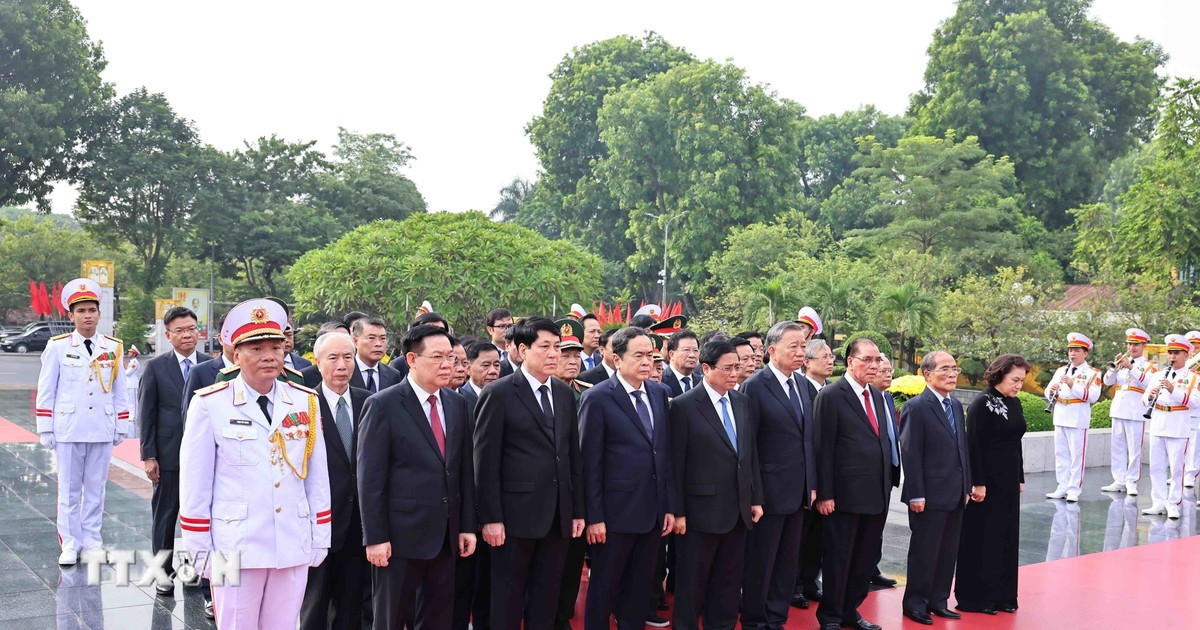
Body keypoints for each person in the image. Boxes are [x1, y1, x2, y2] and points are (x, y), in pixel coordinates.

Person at [179, 298, 332, 627]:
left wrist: (321, 534)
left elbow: (317, 477)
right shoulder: (211, 404)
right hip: (236, 545)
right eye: (256, 348)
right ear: (236, 354)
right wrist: (199, 547)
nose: (269, 356)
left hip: (291, 539)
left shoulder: (305, 401)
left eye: (276, 347)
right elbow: (195, 483)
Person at [358, 324, 477, 629]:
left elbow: (462, 471)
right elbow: (370, 479)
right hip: (398, 538)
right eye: (437, 357)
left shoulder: (456, 404)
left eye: (451, 358)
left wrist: (465, 526)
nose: (447, 365)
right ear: (412, 359)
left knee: (438, 618)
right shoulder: (383, 405)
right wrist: (375, 538)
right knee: (391, 618)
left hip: (445, 536)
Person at [474, 316, 585, 630]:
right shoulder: (499, 394)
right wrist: (491, 518)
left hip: (557, 517)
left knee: (546, 598)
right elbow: (485, 462)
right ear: (522, 350)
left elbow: (571, 457)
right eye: (545, 347)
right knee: (507, 600)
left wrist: (576, 510)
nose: (554, 354)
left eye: (557, 348)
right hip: (512, 518)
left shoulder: (564, 394)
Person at [580, 327, 675, 630]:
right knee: (604, 591)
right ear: (617, 359)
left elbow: (664, 455)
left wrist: (668, 506)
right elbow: (589, 463)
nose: (647, 361)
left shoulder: (660, 393)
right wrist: (594, 517)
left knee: (639, 591)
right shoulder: (597, 398)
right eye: (639, 355)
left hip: (652, 512)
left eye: (651, 355)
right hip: (613, 515)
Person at [36, 278, 132, 566]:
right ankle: (70, 542)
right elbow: (46, 389)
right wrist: (46, 426)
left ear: (99, 314)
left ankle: (92, 540)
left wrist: (121, 423)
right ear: (71, 315)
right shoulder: (58, 346)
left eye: (92, 310)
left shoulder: (113, 347)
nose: (87, 315)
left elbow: (120, 389)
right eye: (81, 311)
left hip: (100, 428)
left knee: (95, 488)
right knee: (68, 489)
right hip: (68, 428)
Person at [670, 340, 763, 630]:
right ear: (706, 367)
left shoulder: (742, 401)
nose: (735, 373)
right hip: (699, 513)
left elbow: (750, 455)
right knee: (691, 586)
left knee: (727, 583)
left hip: (737, 510)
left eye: (738, 366)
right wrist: (678, 512)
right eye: (728, 368)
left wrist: (755, 498)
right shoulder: (683, 406)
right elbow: (675, 465)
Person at [813, 338, 895, 630]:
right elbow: (822, 449)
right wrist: (825, 493)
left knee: (864, 562)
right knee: (839, 559)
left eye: (877, 360)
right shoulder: (832, 396)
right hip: (843, 497)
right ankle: (831, 616)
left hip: (876, 495)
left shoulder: (878, 395)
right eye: (868, 360)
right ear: (850, 362)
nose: (875, 366)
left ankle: (850, 610)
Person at [740, 321, 815, 630]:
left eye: (803, 347)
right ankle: (756, 620)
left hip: (798, 492)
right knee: (762, 562)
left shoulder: (805, 385)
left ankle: (776, 618)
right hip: (768, 493)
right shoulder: (755, 386)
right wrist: (754, 495)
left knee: (787, 562)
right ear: (771, 351)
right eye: (793, 347)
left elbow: (809, 440)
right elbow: (749, 446)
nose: (801, 353)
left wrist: (812, 484)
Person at [300, 332, 372, 630]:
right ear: (317, 363)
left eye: (347, 357)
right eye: (333, 358)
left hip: (360, 522)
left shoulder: (370, 402)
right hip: (318, 522)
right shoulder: (303, 405)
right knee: (314, 603)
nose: (342, 365)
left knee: (352, 604)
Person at [138, 306, 210, 594]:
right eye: (179, 330)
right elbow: (147, 413)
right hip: (168, 454)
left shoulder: (210, 366)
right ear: (168, 335)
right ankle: (164, 573)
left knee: (201, 517)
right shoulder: (156, 367)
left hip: (205, 456)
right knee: (165, 517)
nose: (187, 335)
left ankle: (198, 571)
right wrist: (148, 455)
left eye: (191, 328)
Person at [898, 351, 970, 626]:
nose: (952, 374)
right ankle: (915, 604)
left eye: (954, 368)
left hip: (954, 492)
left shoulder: (955, 406)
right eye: (945, 369)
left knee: (947, 551)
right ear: (927, 374)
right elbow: (911, 453)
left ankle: (938, 601)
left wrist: (966, 485)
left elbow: (962, 448)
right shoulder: (916, 407)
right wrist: (916, 493)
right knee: (925, 552)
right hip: (928, 495)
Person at [955, 354, 1029, 615]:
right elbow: (973, 445)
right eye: (1015, 380)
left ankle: (1004, 595)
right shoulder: (981, 404)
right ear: (1000, 375)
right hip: (985, 482)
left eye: (1022, 380)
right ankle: (977, 597)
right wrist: (978, 483)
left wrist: (1019, 477)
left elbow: (1016, 443)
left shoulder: (1016, 403)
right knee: (983, 537)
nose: (1019, 385)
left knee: (1006, 536)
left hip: (1009, 481)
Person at [793, 337, 835, 610]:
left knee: (818, 538)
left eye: (832, 356)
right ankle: (794, 586)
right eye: (825, 357)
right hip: (803, 478)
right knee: (800, 536)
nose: (831, 361)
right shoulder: (800, 390)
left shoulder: (831, 391)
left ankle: (810, 581)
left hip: (828, 478)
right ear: (807, 362)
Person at [1140, 334, 1200, 520]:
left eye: (1176, 353)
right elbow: (1144, 397)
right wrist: (1149, 397)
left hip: (1178, 425)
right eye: (1170, 353)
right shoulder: (1158, 375)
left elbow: (1195, 402)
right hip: (1158, 422)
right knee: (1156, 467)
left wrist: (1173, 390)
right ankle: (1158, 502)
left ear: (1186, 355)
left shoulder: (1193, 378)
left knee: (1176, 469)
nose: (1172, 357)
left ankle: (1174, 503)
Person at [1044, 333, 1101, 502]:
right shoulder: (1061, 370)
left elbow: (1093, 397)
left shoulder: (1092, 373)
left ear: (1085, 353)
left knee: (1077, 455)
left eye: (1076, 350)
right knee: (1061, 453)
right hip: (1061, 414)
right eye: (1070, 350)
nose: (1072, 354)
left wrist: (1072, 384)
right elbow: (1047, 391)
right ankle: (1062, 485)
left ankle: (1074, 489)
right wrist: (1051, 391)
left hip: (1077, 417)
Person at [1102, 328, 1155, 495]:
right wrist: (1115, 368)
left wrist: (1130, 367)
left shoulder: (1150, 366)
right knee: (1117, 447)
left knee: (1134, 449)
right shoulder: (1122, 363)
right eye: (1130, 344)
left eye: (1136, 344)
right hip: (1118, 408)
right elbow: (1107, 381)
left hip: (1135, 410)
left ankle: (1131, 481)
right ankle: (1119, 480)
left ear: (1144, 345)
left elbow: (1148, 384)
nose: (1132, 347)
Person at [350, 317, 403, 393]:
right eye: (371, 338)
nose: (378, 344)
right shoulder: (345, 371)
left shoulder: (393, 375)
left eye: (382, 338)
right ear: (355, 341)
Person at [556, 318, 592, 400]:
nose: (573, 362)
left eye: (577, 356)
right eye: (565, 356)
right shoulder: (542, 391)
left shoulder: (588, 393)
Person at [1183, 330, 1200, 487]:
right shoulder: (1183, 365)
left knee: (1194, 444)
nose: (1194, 350)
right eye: (1191, 347)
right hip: (1181, 408)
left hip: (1196, 408)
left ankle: (1190, 474)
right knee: (1182, 442)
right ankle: (1181, 472)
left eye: (1197, 346)